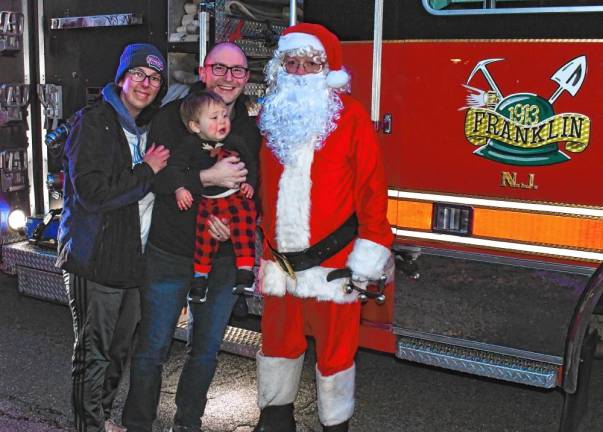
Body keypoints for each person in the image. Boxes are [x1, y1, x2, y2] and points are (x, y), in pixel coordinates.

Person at [253, 23, 394, 432]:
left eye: (308, 63)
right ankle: (276, 418)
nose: (298, 71)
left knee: (335, 354)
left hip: (335, 262)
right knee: (278, 345)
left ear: (326, 68)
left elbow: (372, 189)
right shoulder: (270, 114)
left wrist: (370, 251)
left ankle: (335, 425)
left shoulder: (349, 117)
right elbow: (265, 190)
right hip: (281, 263)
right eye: (290, 62)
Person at [122, 42, 261, 432]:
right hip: (169, 253)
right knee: (152, 348)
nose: (227, 77)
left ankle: (188, 424)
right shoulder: (172, 117)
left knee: (205, 351)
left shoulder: (249, 129)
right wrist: (205, 180)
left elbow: (257, 189)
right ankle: (138, 425)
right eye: (219, 68)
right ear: (203, 72)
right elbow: (157, 176)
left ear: (247, 79)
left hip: (221, 261)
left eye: (237, 71)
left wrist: (235, 227)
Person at [56, 43, 170, 432]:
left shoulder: (147, 127)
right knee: (93, 354)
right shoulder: (94, 122)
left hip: (131, 261)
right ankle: (87, 426)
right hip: (95, 258)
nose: (146, 83)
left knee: (118, 351)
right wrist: (146, 170)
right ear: (121, 77)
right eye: (138, 73)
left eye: (155, 78)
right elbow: (92, 193)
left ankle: (101, 416)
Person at [174, 90, 257, 306]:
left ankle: (245, 272)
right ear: (195, 126)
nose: (222, 121)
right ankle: (199, 280)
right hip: (208, 203)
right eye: (214, 118)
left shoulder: (236, 141)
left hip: (235, 197)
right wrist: (179, 189)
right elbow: (176, 169)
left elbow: (252, 165)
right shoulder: (189, 145)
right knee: (204, 239)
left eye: (224, 116)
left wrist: (250, 184)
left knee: (243, 225)